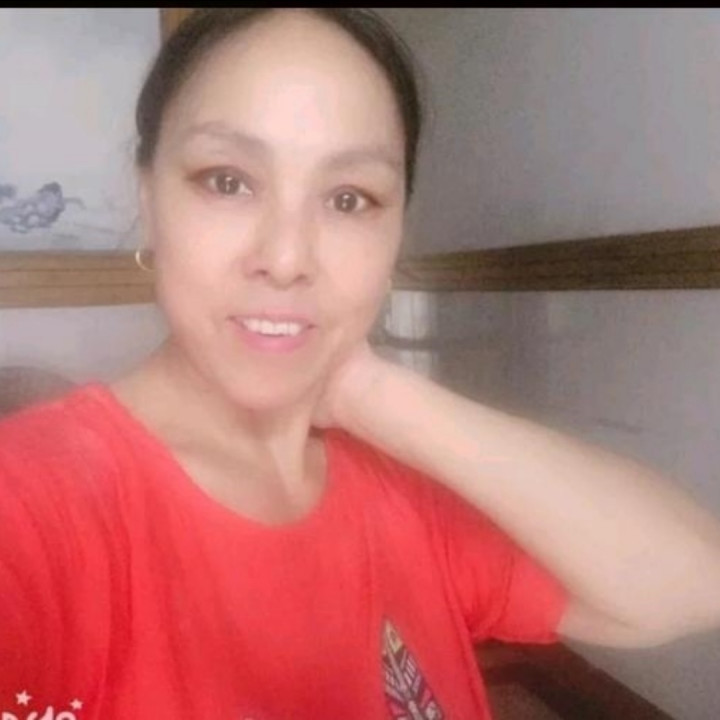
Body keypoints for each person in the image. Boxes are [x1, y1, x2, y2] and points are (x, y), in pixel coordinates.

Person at [1, 8, 719, 719]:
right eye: (227, 180)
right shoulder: (33, 504)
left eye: (350, 199)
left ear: (397, 228)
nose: (287, 258)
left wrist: (371, 391)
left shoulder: (403, 488)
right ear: (148, 196)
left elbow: (689, 584)